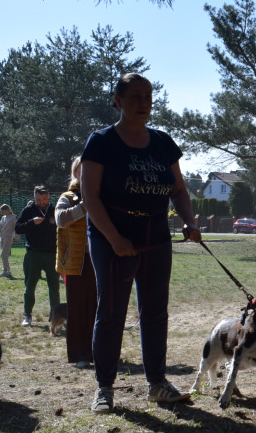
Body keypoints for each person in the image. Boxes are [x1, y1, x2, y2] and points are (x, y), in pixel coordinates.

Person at [81, 72, 201, 412]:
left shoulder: (163, 142)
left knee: (155, 311)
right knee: (111, 310)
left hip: (155, 237)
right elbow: (90, 197)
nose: (143, 103)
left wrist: (190, 221)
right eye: (134, 96)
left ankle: (157, 384)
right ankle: (104, 387)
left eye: (148, 96)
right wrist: (115, 238)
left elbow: (178, 189)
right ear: (117, 101)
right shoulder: (101, 142)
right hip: (111, 237)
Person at [56, 156, 95, 368]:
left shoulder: (103, 195)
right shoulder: (68, 197)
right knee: (78, 309)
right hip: (76, 264)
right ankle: (80, 354)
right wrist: (85, 205)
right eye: (82, 170)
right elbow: (61, 219)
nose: (87, 173)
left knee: (99, 309)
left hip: (100, 261)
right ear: (75, 174)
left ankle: (99, 351)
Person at [15, 186, 60, 328]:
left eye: (45, 199)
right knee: (30, 286)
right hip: (33, 254)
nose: (42, 202)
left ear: (49, 197)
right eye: (39, 199)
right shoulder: (29, 210)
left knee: (54, 287)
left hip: (52, 254)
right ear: (34, 198)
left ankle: (55, 315)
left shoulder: (55, 209)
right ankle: (27, 315)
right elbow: (18, 228)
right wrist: (31, 222)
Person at [0, 204, 17, 278]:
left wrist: (16, 237)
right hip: (2, 237)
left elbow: (17, 228)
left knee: (4, 254)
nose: (2, 212)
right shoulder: (3, 218)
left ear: (7, 210)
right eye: (1, 211)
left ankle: (5, 271)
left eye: (3, 211)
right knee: (3, 255)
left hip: (8, 238)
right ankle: (7, 271)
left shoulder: (13, 217)